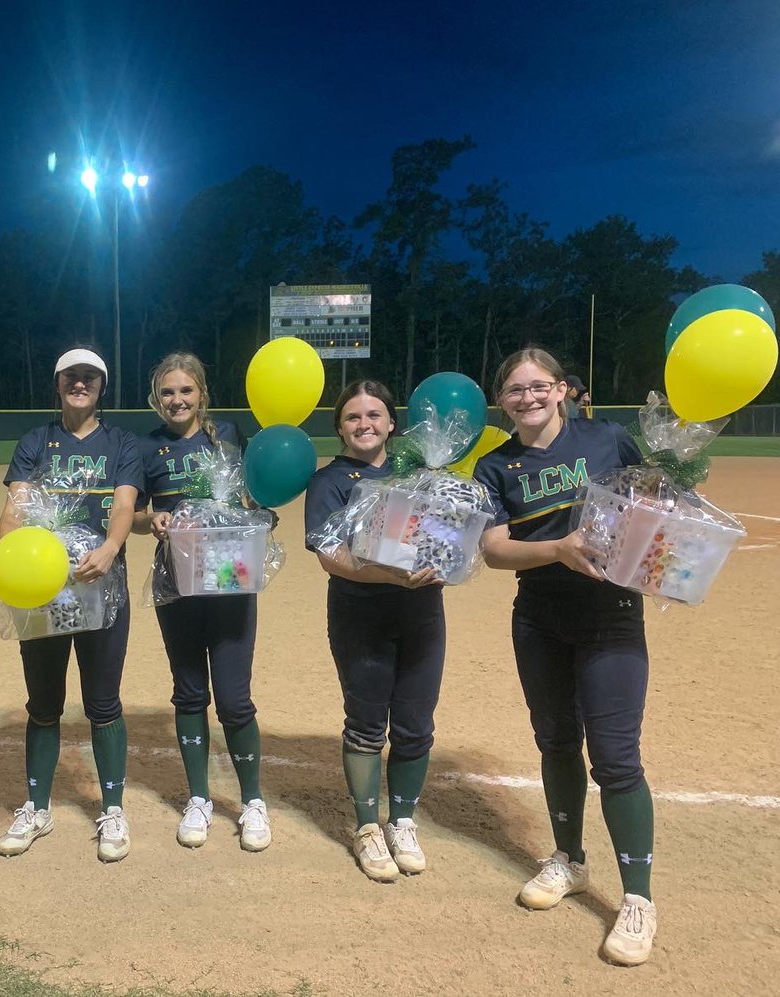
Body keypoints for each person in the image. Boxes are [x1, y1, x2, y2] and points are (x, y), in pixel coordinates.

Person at [473, 347, 657, 966]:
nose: (527, 397)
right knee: (554, 740)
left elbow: (655, 501)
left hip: (610, 617)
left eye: (538, 386)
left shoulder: (607, 438)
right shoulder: (496, 465)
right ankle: (569, 859)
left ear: (562, 390)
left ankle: (637, 898)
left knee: (616, 759)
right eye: (514, 390)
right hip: (541, 620)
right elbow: (495, 550)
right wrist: (558, 548)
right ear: (503, 401)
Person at [0, 347, 143, 862]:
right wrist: (7, 558)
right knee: (43, 703)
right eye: (71, 377)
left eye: (90, 378)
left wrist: (110, 547)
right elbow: (15, 507)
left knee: (103, 701)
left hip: (101, 582)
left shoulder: (121, 441)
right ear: (57, 383)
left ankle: (113, 808)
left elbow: (124, 504)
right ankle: (36, 806)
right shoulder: (36, 441)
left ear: (102, 386)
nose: (80, 384)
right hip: (45, 587)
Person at [303, 379, 445, 883]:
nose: (365, 425)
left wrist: (449, 556)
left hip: (422, 614)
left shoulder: (422, 475)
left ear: (391, 422)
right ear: (339, 427)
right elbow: (330, 557)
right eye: (353, 417)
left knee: (415, 726)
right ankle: (367, 826)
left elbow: (449, 532)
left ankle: (402, 820)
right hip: (360, 615)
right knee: (366, 725)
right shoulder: (330, 482)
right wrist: (390, 574)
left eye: (374, 415)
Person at [132, 352, 271, 851]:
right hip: (178, 579)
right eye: (167, 392)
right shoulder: (145, 447)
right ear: (156, 399)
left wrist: (259, 516)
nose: (177, 400)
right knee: (189, 692)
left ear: (202, 393)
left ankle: (252, 801)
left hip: (231, 573)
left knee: (234, 697)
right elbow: (131, 514)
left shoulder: (230, 434)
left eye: (185, 390)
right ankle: (199, 798)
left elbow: (261, 494)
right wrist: (155, 521)